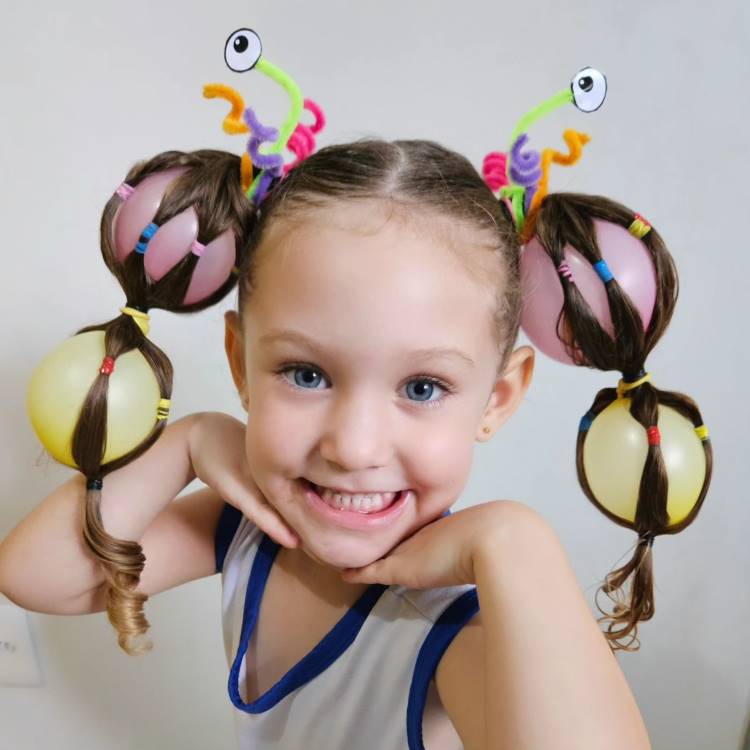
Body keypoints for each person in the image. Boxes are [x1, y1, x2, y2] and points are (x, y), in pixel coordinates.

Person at [0, 137, 654, 749]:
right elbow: (34, 576)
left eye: (423, 387)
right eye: (306, 375)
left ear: (499, 397)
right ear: (241, 364)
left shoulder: (457, 623)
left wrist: (516, 541)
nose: (354, 446)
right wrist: (189, 442)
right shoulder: (253, 528)